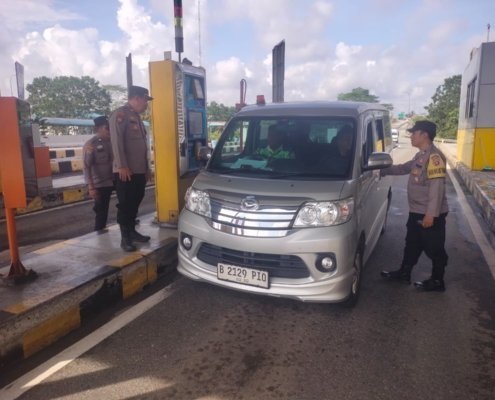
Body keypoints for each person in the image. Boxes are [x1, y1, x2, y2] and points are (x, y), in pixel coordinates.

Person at [380, 120, 449, 291]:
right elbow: (403, 168)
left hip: (429, 214)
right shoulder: (421, 155)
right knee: (412, 243)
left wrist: (430, 215)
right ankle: (404, 273)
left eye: (414, 133)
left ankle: (437, 281)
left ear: (424, 134)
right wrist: (381, 170)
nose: (411, 136)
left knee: (434, 248)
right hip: (417, 211)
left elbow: (436, 188)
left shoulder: (434, 158)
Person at [109, 85, 153, 252]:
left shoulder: (136, 117)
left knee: (136, 201)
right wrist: (122, 165)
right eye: (145, 100)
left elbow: (142, 146)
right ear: (136, 98)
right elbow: (116, 141)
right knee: (126, 204)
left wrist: (147, 168)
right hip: (125, 170)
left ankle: (132, 232)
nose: (146, 104)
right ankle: (125, 237)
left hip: (139, 170)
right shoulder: (120, 115)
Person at [83, 116, 114, 232]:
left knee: (126, 201)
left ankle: (128, 225)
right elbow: (86, 166)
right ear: (98, 129)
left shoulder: (113, 141)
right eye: (107, 128)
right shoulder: (91, 144)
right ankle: (100, 232)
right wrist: (91, 187)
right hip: (101, 183)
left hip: (114, 179)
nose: (109, 130)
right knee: (101, 210)